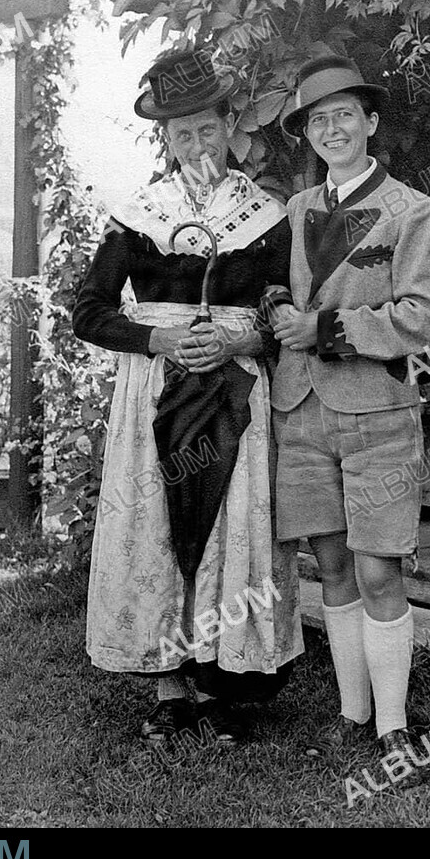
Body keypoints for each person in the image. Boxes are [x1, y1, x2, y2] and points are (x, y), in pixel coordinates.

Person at [72, 49, 303, 747]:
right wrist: (160, 340)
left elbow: (286, 310)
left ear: (229, 127)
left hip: (234, 386)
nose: (197, 145)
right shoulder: (138, 216)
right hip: (157, 388)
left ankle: (219, 681)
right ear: (165, 139)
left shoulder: (265, 215)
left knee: (228, 522)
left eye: (207, 129)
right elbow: (88, 311)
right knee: (158, 524)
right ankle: (169, 687)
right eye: (181, 134)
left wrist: (243, 340)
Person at [268, 54, 430, 762]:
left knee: (378, 569)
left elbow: (425, 312)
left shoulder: (411, 209)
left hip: (377, 413)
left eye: (344, 114)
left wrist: (326, 329)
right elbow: (272, 288)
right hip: (300, 410)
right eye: (318, 120)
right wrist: (275, 308)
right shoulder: (294, 211)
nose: (332, 129)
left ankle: (393, 724)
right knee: (332, 566)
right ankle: (352, 713)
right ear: (308, 135)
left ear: (371, 122)